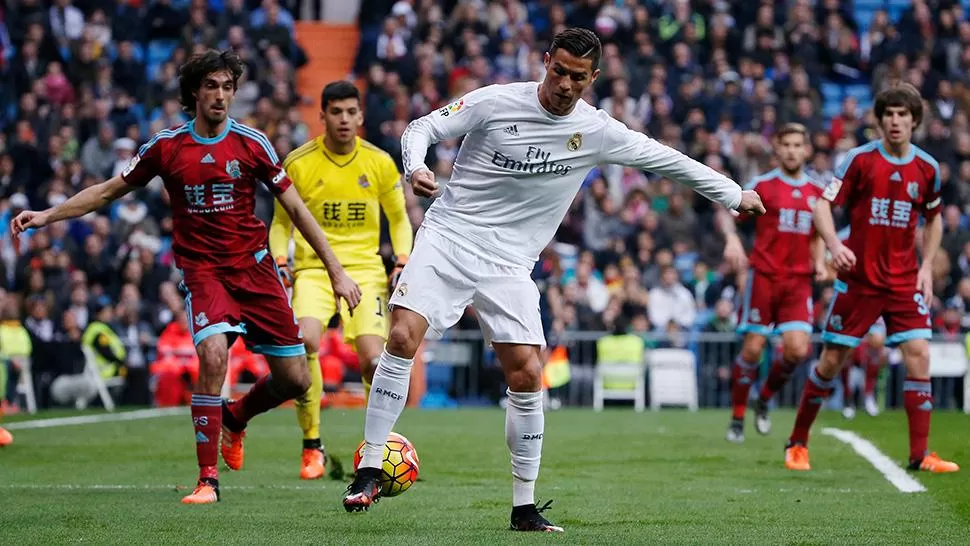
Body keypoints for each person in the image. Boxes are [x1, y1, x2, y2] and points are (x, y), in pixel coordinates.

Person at [342, 27, 765, 531]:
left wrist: (733, 194)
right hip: (449, 237)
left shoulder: (598, 130)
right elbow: (421, 128)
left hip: (510, 264)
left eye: (577, 77)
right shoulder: (496, 101)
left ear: (594, 78)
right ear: (545, 61)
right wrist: (415, 167)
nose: (565, 84)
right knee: (402, 335)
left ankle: (523, 506)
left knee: (527, 374)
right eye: (558, 70)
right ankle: (368, 468)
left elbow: (667, 160)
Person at [10, 49, 363, 503]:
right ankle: (207, 480)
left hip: (255, 271)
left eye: (228, 87)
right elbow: (107, 191)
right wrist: (48, 215)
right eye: (211, 86)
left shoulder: (253, 144)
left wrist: (336, 271)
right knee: (214, 356)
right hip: (204, 272)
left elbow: (295, 208)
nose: (220, 95)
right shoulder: (167, 147)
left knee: (297, 380)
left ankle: (236, 418)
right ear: (194, 91)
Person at [783, 83, 959, 473]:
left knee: (919, 355)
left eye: (903, 114)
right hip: (859, 280)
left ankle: (920, 455)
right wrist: (833, 244)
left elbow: (933, 222)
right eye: (889, 114)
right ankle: (797, 442)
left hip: (903, 281)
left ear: (915, 121)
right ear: (879, 120)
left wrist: (927, 265)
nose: (895, 121)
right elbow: (822, 206)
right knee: (832, 361)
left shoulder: (927, 168)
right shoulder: (859, 161)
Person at [269, 80, 413, 480]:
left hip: (365, 270)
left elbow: (400, 220)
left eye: (352, 112)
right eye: (336, 112)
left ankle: (376, 448)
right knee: (307, 341)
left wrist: (402, 259)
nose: (344, 119)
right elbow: (280, 223)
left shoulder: (380, 162)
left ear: (361, 116)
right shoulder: (298, 162)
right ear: (323, 116)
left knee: (372, 361)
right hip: (314, 270)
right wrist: (281, 260)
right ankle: (311, 445)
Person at [718, 123, 828, 443]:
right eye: (786, 144)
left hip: (798, 283)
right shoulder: (763, 185)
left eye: (798, 144)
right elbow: (727, 209)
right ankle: (738, 417)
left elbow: (819, 233)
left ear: (806, 150)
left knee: (797, 351)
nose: (792, 150)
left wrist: (819, 261)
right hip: (764, 278)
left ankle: (764, 398)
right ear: (777, 149)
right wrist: (732, 239)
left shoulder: (817, 193)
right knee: (752, 349)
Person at [841, 320, 889, 419]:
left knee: (868, 383)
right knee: (850, 384)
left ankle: (868, 402)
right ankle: (849, 405)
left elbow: (878, 341)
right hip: (855, 362)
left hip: (868, 360)